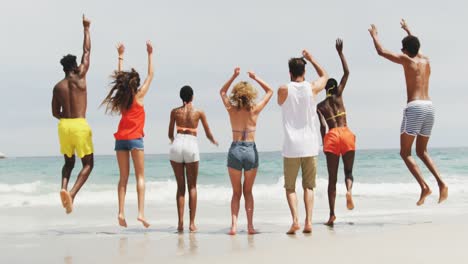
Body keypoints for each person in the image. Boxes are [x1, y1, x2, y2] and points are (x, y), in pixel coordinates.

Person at [369, 19, 448, 205]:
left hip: (415, 108)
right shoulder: (425, 60)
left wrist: (374, 36)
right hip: (430, 107)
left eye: (403, 48)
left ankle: (424, 187)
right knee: (422, 151)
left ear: (406, 50)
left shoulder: (407, 60)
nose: (402, 51)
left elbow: (381, 52)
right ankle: (442, 184)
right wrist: (408, 31)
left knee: (405, 153)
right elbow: (415, 47)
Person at [101, 41, 154, 228]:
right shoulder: (139, 97)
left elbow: (119, 79)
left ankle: (121, 212)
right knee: (140, 176)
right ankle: (140, 213)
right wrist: (150, 54)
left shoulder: (123, 99)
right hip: (135, 139)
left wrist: (120, 56)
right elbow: (151, 75)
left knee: (123, 177)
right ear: (136, 84)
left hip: (120, 139)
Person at [278, 50, 328, 234]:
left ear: (290, 72)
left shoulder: (283, 89)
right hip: (310, 144)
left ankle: (295, 220)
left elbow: (280, 102)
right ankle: (308, 222)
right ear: (304, 72)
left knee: (290, 187)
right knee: (309, 186)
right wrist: (312, 59)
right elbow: (325, 76)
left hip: (291, 145)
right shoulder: (312, 87)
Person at [220, 67, 273, 235]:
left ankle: (234, 226)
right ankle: (250, 227)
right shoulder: (254, 110)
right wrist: (256, 77)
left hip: (235, 150)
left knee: (236, 192)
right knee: (248, 191)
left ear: (236, 94)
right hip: (250, 151)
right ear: (250, 94)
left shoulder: (232, 110)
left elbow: (222, 91)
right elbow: (270, 91)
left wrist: (233, 75)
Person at [52, 15, 93, 214]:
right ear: (74, 66)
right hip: (79, 125)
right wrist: (86, 28)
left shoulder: (57, 87)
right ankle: (73, 194)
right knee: (88, 164)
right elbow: (87, 51)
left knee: (68, 162)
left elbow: (54, 112)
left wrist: (65, 119)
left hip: (64, 126)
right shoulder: (81, 75)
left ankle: (63, 188)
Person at [316, 39, 356, 226]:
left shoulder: (320, 105)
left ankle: (332, 215)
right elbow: (347, 73)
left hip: (331, 136)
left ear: (325, 89)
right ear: (335, 87)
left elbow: (322, 126)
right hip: (346, 134)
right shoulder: (339, 95)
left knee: (332, 179)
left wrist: (324, 142)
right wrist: (340, 53)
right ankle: (349, 190)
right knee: (348, 171)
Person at [168, 85, 218, 232]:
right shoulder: (199, 112)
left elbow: (170, 134)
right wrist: (213, 141)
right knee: (192, 186)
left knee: (180, 187)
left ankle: (180, 223)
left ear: (181, 97)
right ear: (192, 96)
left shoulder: (175, 112)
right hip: (191, 145)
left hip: (177, 145)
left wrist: (174, 141)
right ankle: (192, 223)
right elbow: (208, 133)